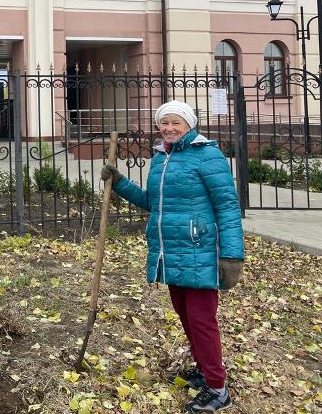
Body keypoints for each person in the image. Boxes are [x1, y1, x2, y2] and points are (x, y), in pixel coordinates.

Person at [101, 100, 244, 413]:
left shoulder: (207, 154)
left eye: (175, 123)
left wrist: (232, 255)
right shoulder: (161, 156)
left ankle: (218, 390)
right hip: (171, 250)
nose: (169, 128)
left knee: (202, 320)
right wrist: (120, 183)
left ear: (189, 125)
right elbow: (153, 202)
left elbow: (228, 206)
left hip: (199, 249)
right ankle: (206, 372)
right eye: (164, 123)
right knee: (186, 315)